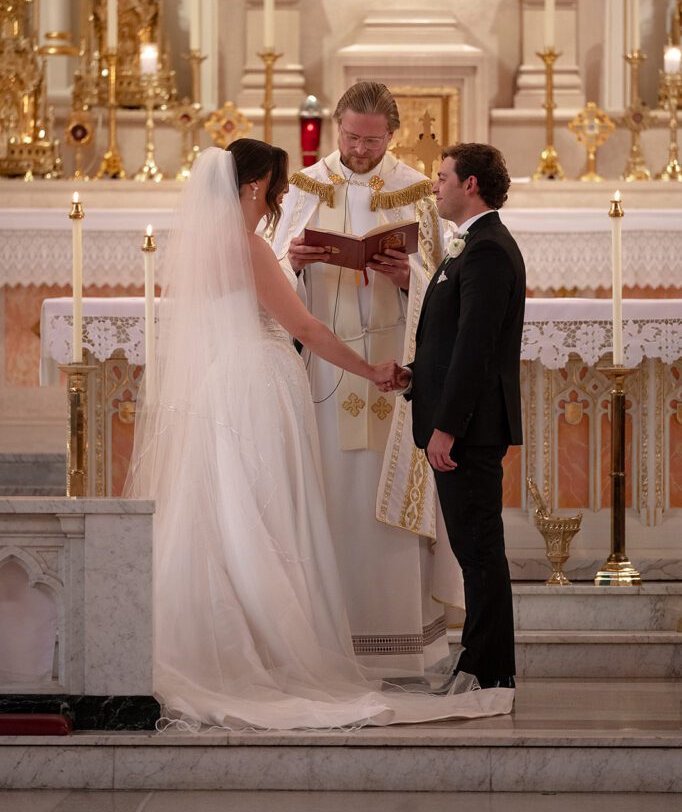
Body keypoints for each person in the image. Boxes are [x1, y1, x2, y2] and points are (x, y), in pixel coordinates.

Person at [127, 140, 512, 730]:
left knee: (227, 515)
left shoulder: (208, 245)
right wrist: (369, 369)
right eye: (277, 188)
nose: (282, 197)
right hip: (255, 390)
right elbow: (304, 323)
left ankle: (229, 638)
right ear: (254, 186)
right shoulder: (249, 246)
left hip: (223, 389)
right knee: (263, 515)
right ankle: (267, 648)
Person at [272, 82, 461, 674]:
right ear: (336, 127)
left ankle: (402, 641)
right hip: (325, 376)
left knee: (384, 501)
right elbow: (268, 271)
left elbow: (449, 288)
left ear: (392, 136)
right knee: (328, 496)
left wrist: (410, 278)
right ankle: (328, 642)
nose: (357, 149)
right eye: (350, 137)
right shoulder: (303, 187)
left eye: (371, 140)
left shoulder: (417, 192)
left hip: (396, 375)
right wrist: (295, 265)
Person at [392, 143, 525, 693]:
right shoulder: (468, 247)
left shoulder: (488, 249)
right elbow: (449, 338)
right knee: (474, 549)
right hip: (459, 420)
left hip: (468, 429)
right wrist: (414, 377)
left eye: (442, 177)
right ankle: (483, 664)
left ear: (470, 184)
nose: (434, 185)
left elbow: (476, 348)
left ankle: (486, 669)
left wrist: (447, 425)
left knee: (479, 551)